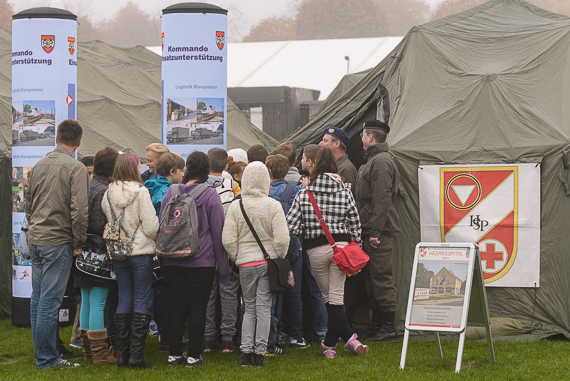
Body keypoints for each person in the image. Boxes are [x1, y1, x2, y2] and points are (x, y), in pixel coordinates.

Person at [286, 147, 368, 358]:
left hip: (315, 249)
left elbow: (291, 226)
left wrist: (309, 231)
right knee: (336, 296)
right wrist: (355, 242)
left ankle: (331, 344)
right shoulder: (345, 191)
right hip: (341, 248)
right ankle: (347, 339)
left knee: (327, 297)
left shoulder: (305, 194)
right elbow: (356, 224)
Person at [25, 119, 89, 369]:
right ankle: (47, 358)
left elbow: (28, 203)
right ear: (79, 142)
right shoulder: (76, 168)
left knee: (38, 300)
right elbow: (79, 210)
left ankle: (43, 353)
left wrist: (36, 227)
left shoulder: (39, 164)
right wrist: (78, 241)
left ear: (56, 138)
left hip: (37, 239)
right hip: (57, 240)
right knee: (49, 302)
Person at [160, 151, 230, 367]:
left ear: (188, 168)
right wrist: (224, 267)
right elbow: (218, 233)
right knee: (198, 308)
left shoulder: (170, 192)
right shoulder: (210, 195)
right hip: (202, 260)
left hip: (172, 259)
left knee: (177, 306)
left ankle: (174, 354)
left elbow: (161, 224)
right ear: (207, 170)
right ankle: (194, 355)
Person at [222, 161, 290, 367]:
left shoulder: (237, 205)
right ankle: (260, 353)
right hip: (268, 263)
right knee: (264, 309)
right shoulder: (273, 205)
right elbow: (282, 239)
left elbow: (227, 239)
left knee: (249, 308)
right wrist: (278, 257)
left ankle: (245, 352)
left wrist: (237, 257)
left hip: (245, 265)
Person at [102, 153, 159, 368]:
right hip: (141, 253)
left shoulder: (108, 193)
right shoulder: (141, 192)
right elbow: (152, 227)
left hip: (118, 253)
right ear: (133, 168)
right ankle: (136, 356)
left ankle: (123, 355)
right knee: (142, 298)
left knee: (124, 297)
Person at [354, 120, 400, 342]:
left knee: (381, 278)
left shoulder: (381, 162)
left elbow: (382, 199)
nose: (361, 139)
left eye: (363, 135)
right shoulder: (373, 161)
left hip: (378, 232)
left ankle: (389, 327)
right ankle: (376, 324)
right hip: (371, 229)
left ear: (370, 137)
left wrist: (374, 231)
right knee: (372, 279)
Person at [75, 147, 120, 364]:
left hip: (82, 252)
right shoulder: (105, 191)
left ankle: (87, 351)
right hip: (99, 252)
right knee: (99, 302)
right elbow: (101, 224)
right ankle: (100, 355)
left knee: (86, 301)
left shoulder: (86, 185)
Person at [265, 155, 308, 352]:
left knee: (275, 293)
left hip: (272, 249)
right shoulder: (298, 191)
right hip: (294, 247)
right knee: (295, 294)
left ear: (270, 172)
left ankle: (276, 333)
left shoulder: (265, 193)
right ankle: (297, 336)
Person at [318, 127, 360, 327]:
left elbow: (348, 206)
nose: (321, 144)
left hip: (340, 238)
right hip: (331, 238)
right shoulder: (336, 167)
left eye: (325, 140)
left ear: (336, 144)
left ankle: (345, 325)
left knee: (340, 288)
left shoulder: (346, 169)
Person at [203, 148, 241, 353]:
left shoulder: (199, 187)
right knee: (229, 296)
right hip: (227, 250)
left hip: (205, 252)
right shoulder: (234, 186)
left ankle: (208, 340)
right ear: (226, 165)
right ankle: (228, 340)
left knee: (208, 296)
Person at [145, 152, 185, 217]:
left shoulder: (152, 186)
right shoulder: (166, 192)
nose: (183, 174)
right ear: (172, 171)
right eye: (181, 171)